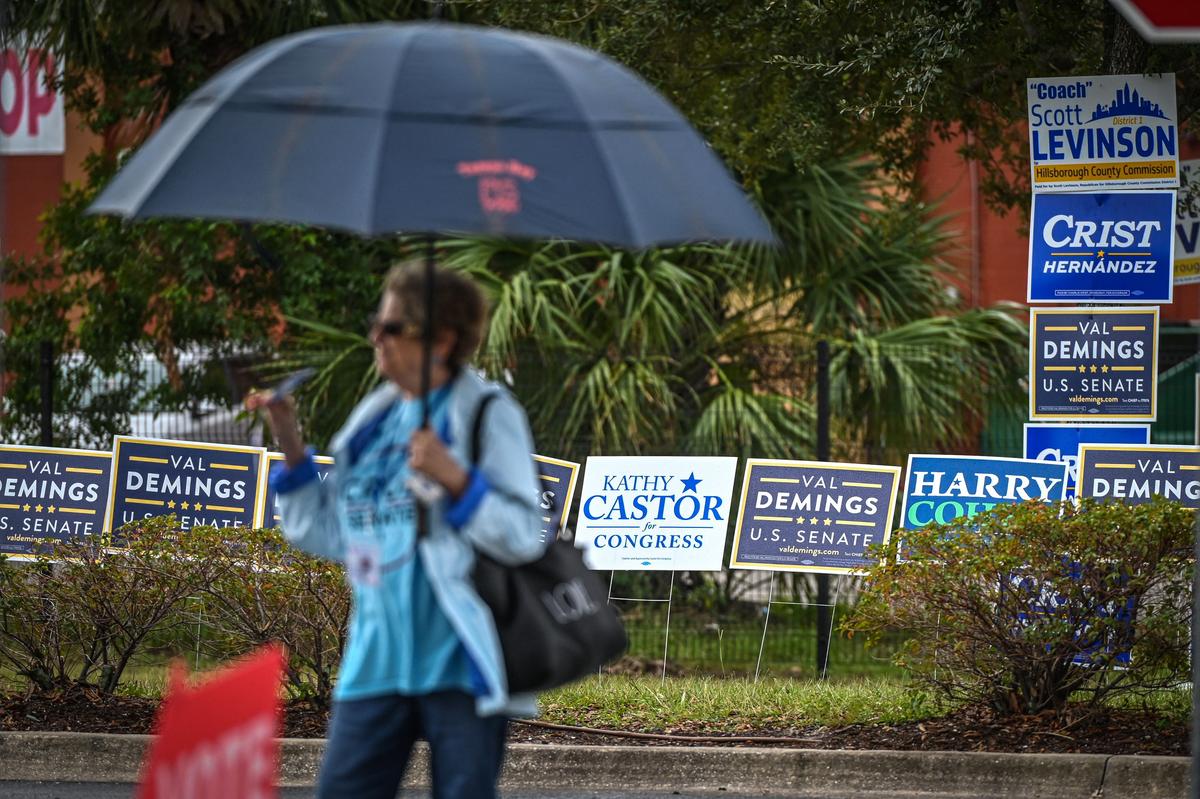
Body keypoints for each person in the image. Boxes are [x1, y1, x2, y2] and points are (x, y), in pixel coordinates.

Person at [249, 260, 544, 799]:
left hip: (459, 661)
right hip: (375, 659)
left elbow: (525, 534)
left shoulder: (487, 412)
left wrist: (457, 479)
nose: (374, 338)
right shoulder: (370, 422)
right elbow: (330, 534)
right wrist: (291, 445)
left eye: (391, 327)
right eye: (376, 324)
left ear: (442, 339)